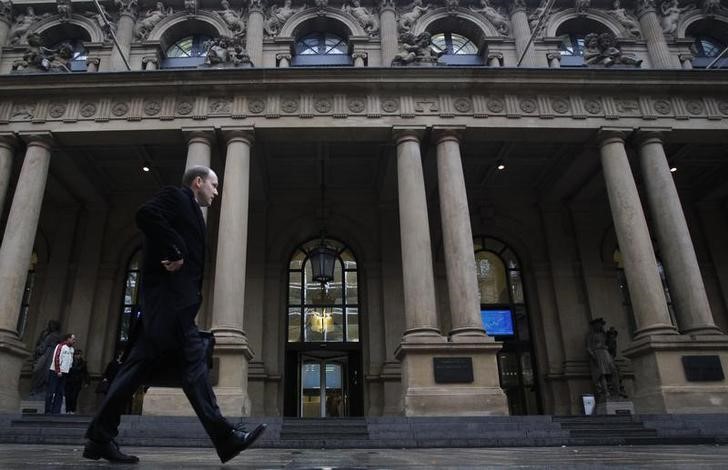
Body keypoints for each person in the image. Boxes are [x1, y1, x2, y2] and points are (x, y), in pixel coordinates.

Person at [83, 166, 266, 464]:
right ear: (197, 182)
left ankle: (99, 437)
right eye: (214, 185)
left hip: (171, 305)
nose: (216, 192)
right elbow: (145, 214)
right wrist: (174, 249)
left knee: (136, 370)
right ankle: (226, 438)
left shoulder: (191, 209)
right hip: (169, 303)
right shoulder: (176, 196)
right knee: (194, 363)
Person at [45, 334, 76, 414]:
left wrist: (68, 369)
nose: (74, 341)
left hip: (65, 372)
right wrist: (58, 370)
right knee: (51, 391)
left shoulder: (72, 349)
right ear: (68, 339)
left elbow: (71, 361)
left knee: (60, 392)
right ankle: (48, 410)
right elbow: (56, 357)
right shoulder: (60, 346)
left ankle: (56, 410)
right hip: (55, 371)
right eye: (73, 339)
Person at [65, 349, 90, 414]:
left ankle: (73, 410)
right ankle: (68, 410)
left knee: (74, 396)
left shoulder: (83, 363)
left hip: (77, 382)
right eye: (76, 354)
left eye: (79, 354)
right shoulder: (69, 361)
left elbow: (85, 373)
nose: (77, 356)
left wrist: (87, 382)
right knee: (68, 396)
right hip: (69, 381)